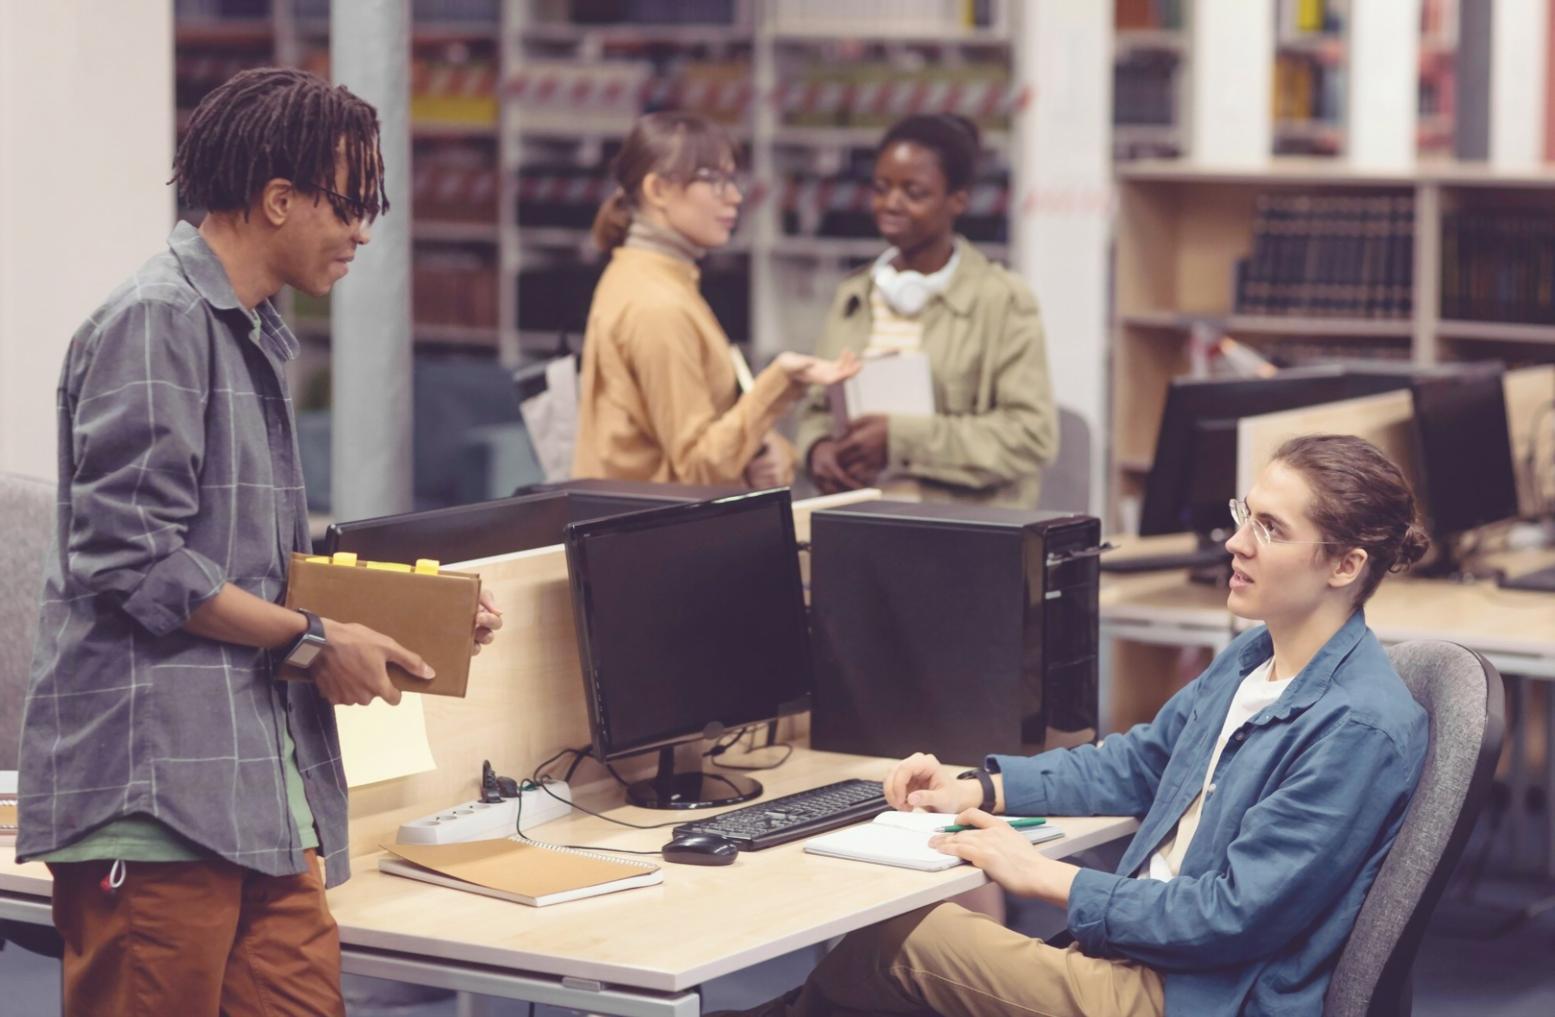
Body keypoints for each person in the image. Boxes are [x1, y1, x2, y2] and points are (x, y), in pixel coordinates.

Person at [16, 67, 501, 1016]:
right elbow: (132, 558)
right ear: (278, 200)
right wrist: (316, 639)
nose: (365, 231)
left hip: (258, 790)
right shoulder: (157, 321)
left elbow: (247, 565)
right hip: (155, 794)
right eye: (351, 204)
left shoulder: (253, 332)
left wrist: (415, 621)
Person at [725, 433, 1431, 1017]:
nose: (1236, 543)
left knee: (889, 946)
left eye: (1270, 529)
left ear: (1344, 564)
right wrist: (978, 787)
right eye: (1243, 514)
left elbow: (1225, 917)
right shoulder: (1255, 655)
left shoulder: (1356, 726)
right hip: (1149, 955)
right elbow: (1140, 763)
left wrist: (1047, 878)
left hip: (1196, 994)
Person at [572, 111, 859, 487]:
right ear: (657, 190)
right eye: (715, 181)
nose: (735, 197)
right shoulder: (657, 304)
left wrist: (767, 449)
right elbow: (700, 467)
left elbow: (700, 428)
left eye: (732, 179)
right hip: (654, 534)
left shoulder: (646, 274)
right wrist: (779, 383)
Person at [797, 114, 1058, 507]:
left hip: (957, 532)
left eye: (913, 192)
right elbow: (816, 408)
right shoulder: (854, 296)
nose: (891, 204)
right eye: (882, 189)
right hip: (853, 521)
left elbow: (1030, 436)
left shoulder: (1002, 301)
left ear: (958, 200)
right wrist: (817, 449)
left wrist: (898, 440)